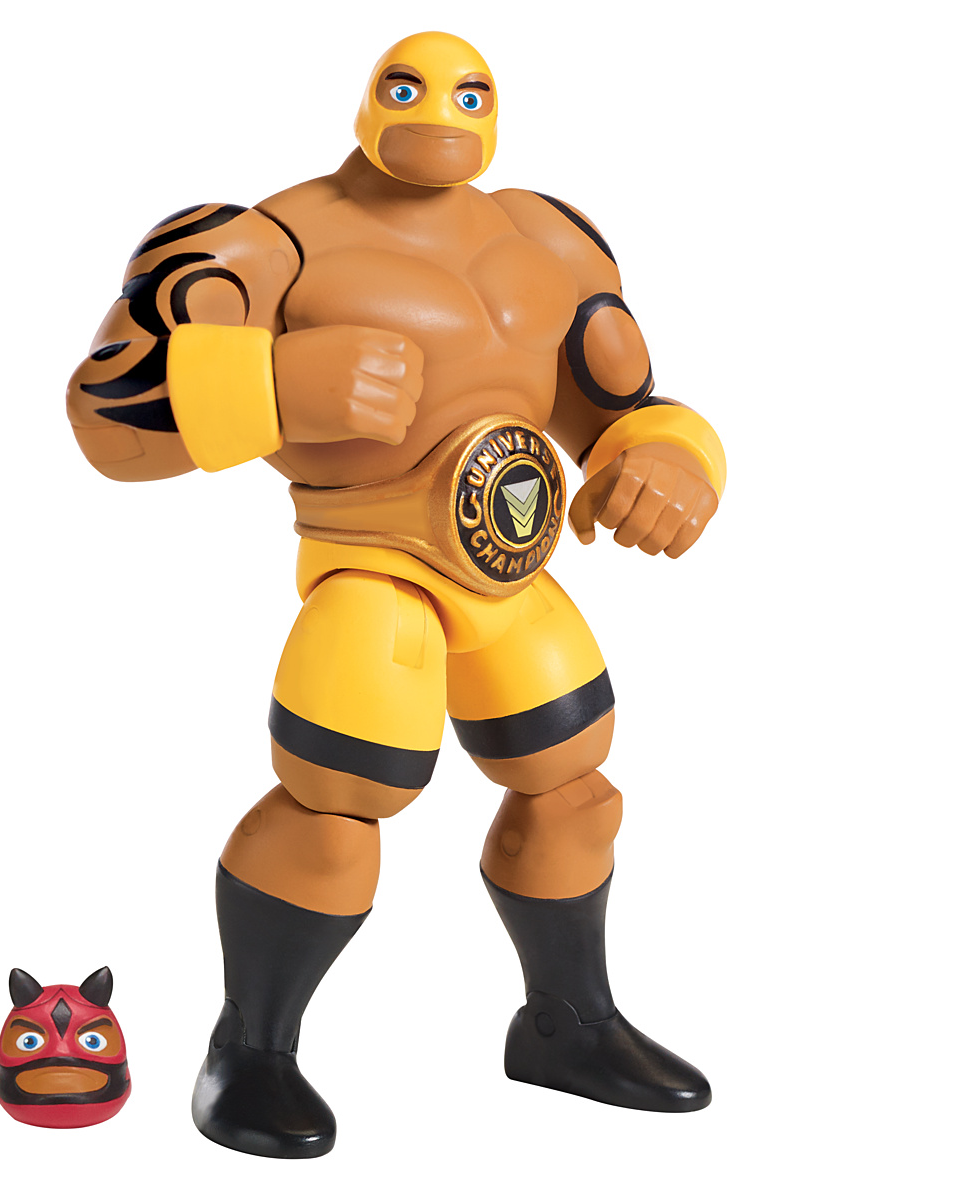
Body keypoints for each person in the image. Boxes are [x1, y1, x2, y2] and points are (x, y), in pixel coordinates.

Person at [67, 30, 726, 1159]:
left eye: (468, 93)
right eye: (410, 88)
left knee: (576, 793)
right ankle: (249, 1052)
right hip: (369, 572)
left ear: (494, 108)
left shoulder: (547, 238)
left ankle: (567, 1027)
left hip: (514, 574)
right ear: (371, 101)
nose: (439, 113)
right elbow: (104, 418)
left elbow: (622, 405)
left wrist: (670, 458)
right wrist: (271, 384)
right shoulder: (263, 243)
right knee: (336, 814)